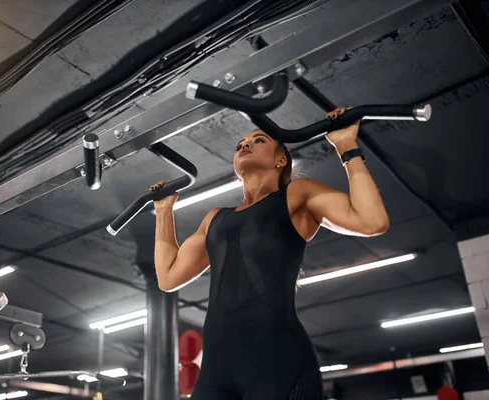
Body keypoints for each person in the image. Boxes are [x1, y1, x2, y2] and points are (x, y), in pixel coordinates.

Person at [151, 107, 390, 399]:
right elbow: (168, 277)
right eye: (240, 145)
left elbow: (372, 221)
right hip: (217, 368)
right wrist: (164, 212)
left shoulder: (296, 194)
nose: (245, 145)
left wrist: (346, 145)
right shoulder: (215, 218)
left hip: (278, 361)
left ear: (281, 160)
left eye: (258, 139)